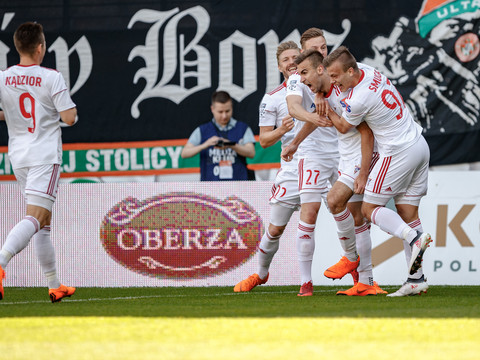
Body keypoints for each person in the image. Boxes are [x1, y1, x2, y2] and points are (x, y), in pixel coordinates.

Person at [321, 46, 432, 296]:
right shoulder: (370, 71)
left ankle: (414, 239)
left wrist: (326, 107)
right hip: (419, 145)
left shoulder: (358, 98)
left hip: (398, 151)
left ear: (351, 71)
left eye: (337, 76)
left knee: (368, 209)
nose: (334, 81)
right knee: (407, 212)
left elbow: (343, 127)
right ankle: (416, 279)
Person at [285, 49, 387, 296]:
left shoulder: (343, 89)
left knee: (334, 200)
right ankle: (366, 282)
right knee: (357, 218)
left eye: (304, 72)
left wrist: (363, 173)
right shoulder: (323, 90)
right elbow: (316, 118)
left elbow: (366, 133)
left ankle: (350, 258)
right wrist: (296, 142)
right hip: (347, 156)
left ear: (321, 69)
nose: (302, 79)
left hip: (363, 155)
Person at [0, 22, 77, 302]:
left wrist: (13, 115)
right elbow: (69, 118)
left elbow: (10, 111)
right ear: (40, 48)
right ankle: (1, 261)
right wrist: (65, 114)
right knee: (37, 217)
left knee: (43, 223)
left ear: (18, 47)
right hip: (44, 154)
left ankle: (55, 285)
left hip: (18, 156)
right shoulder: (50, 77)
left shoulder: (3, 78)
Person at [234, 41, 301, 293]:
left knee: (350, 215)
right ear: (279, 66)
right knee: (274, 228)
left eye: (296, 56)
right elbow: (263, 140)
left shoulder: (318, 87)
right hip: (293, 169)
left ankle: (364, 279)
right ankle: (261, 274)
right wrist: (281, 130)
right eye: (286, 59)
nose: (291, 61)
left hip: (325, 164)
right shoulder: (272, 98)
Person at [283, 28, 341, 296]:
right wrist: (311, 120)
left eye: (325, 48)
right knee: (309, 213)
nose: (322, 53)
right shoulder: (297, 78)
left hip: (343, 150)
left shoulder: (340, 71)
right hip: (314, 152)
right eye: (316, 50)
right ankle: (306, 281)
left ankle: (365, 277)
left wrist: (323, 95)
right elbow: (294, 108)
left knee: (354, 213)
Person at [181, 91, 256, 181]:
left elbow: (251, 153)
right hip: (210, 187)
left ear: (232, 107)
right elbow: (184, 153)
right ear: (212, 109)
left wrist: (230, 144)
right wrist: (205, 145)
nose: (224, 116)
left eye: (227, 111)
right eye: (220, 112)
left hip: (238, 186)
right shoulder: (202, 130)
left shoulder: (243, 128)